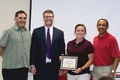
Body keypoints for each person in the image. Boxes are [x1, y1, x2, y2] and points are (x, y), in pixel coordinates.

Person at [30, 9, 65, 80]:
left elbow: (62, 52)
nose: (48, 18)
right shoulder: (36, 32)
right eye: (46, 17)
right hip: (39, 68)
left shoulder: (60, 33)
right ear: (43, 18)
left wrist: (61, 67)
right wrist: (32, 65)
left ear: (53, 18)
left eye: (50, 16)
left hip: (54, 68)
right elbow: (33, 49)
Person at [0, 10, 31, 80]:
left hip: (24, 68)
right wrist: (7, 57)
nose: (22, 20)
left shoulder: (28, 33)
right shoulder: (9, 31)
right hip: (10, 68)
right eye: (20, 18)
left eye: (24, 18)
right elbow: (0, 46)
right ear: (15, 19)